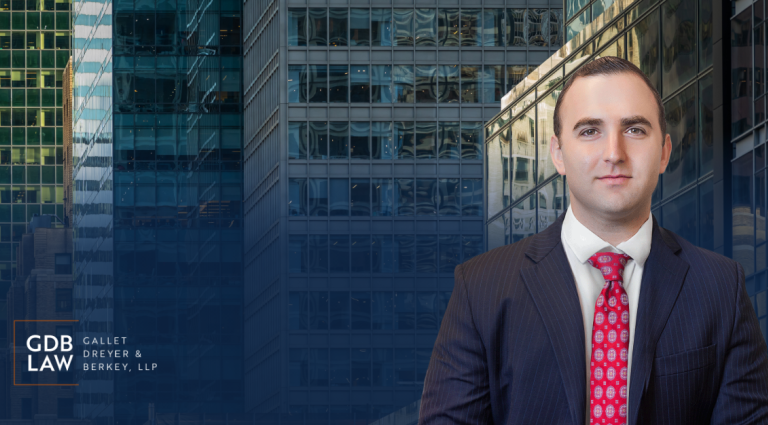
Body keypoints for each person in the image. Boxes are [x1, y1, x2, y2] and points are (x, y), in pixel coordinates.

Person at [419, 56, 768, 425]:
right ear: (558, 153)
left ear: (664, 152)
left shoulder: (720, 287)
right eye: (589, 131)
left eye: (635, 129)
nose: (614, 153)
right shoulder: (481, 287)